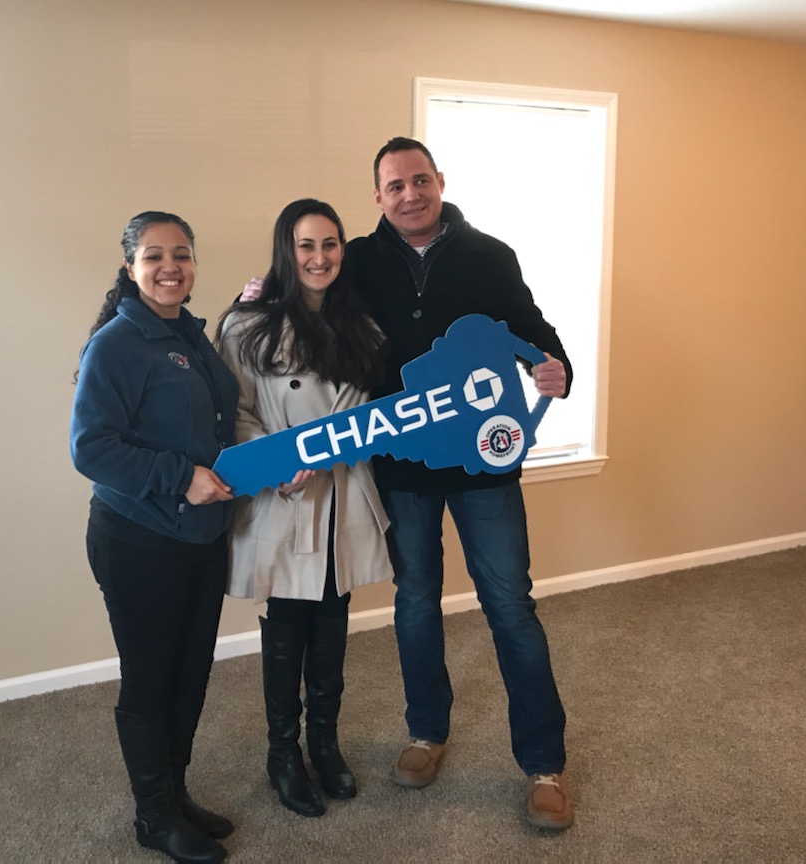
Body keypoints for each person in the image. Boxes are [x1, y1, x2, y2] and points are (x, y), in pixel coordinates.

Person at [240, 138, 576, 830]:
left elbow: (533, 330)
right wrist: (252, 297)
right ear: (378, 197)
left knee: (510, 605)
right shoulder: (357, 260)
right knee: (416, 601)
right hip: (402, 468)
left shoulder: (491, 256)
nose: (409, 194)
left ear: (439, 182)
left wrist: (557, 367)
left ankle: (544, 764)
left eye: (419, 180)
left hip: (484, 464)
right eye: (394, 186)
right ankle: (426, 732)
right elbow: (303, 294)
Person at [216, 199, 393, 819]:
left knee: (334, 619)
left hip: (343, 493)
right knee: (288, 621)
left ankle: (325, 742)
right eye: (306, 245)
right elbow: (236, 412)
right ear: (285, 252)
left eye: (330, 244)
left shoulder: (363, 328)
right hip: (285, 496)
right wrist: (276, 466)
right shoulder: (246, 327)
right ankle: (283, 753)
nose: (319, 258)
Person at [71, 211, 238, 863]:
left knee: (190, 674)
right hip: (139, 539)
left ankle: (174, 794)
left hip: (202, 536)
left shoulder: (190, 334)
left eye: (182, 254)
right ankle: (153, 816)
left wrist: (266, 469)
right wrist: (180, 477)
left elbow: (214, 431)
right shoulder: (117, 343)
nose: (171, 266)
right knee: (150, 679)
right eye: (154, 256)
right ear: (130, 267)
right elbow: (90, 448)